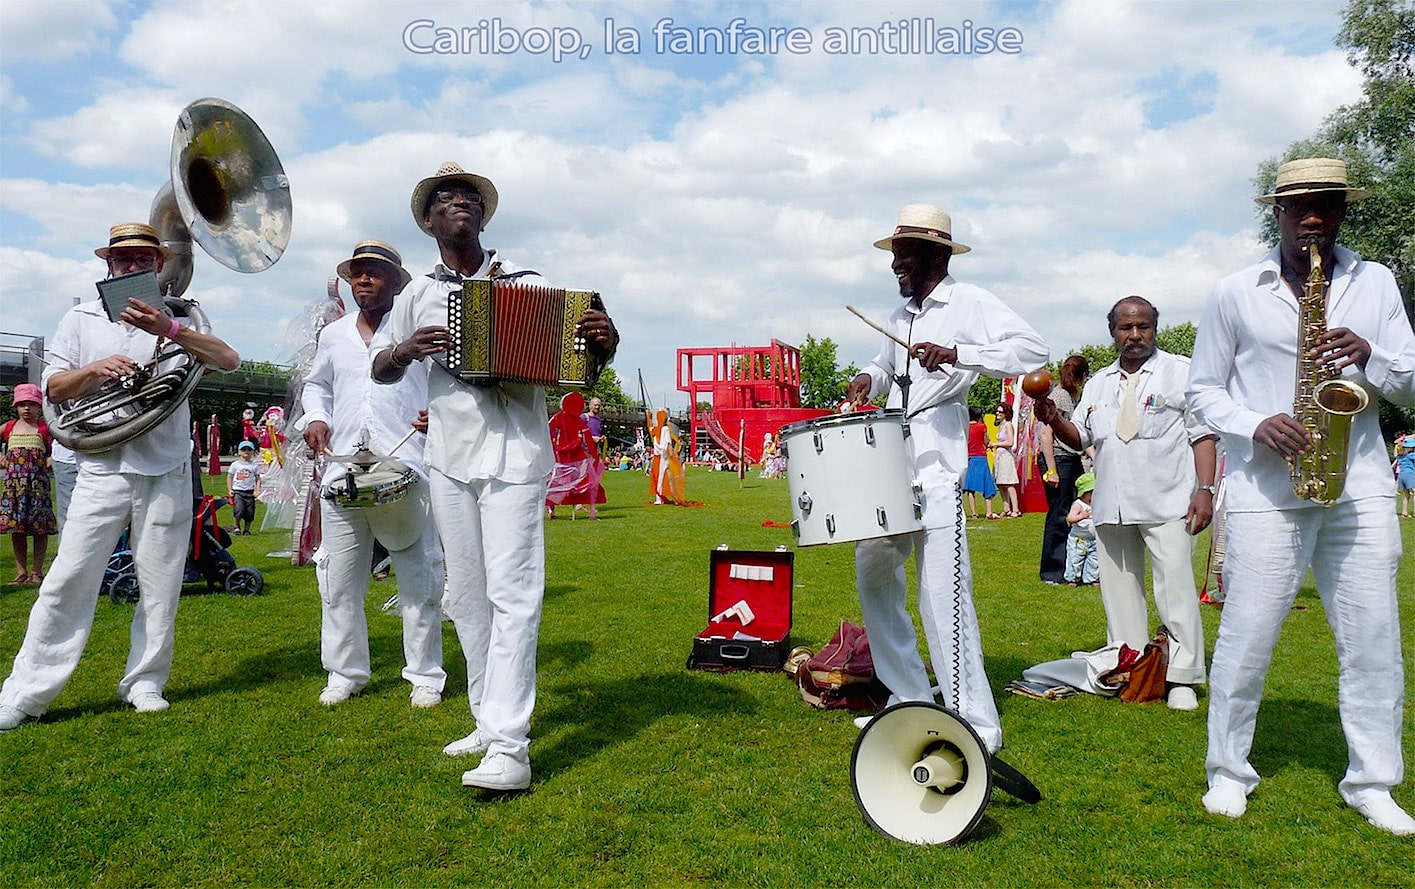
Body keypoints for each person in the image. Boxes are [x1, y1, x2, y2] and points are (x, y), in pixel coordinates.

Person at [371, 162, 618, 791]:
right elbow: (381, 368)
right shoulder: (416, 296)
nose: (460, 203)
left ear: (484, 215)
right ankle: (486, 720)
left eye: (471, 197)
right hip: (449, 458)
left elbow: (580, 375)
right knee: (467, 596)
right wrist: (405, 350)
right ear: (427, 221)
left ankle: (511, 746)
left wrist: (603, 342)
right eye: (445, 198)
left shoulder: (534, 285)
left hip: (515, 455)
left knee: (514, 594)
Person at [1187, 157, 1415, 835]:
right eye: (1298, 206)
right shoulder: (1233, 290)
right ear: (1276, 212)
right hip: (1265, 483)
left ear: (1341, 211)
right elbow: (1200, 389)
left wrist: (1368, 352)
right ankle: (1228, 771)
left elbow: (1409, 382)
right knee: (1247, 636)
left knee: (1374, 638)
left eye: (1326, 205)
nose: (1312, 218)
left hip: (1363, 482)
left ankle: (1371, 781)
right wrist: (1254, 422)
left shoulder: (1374, 281)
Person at [0, 222, 240, 731]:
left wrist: (167, 330)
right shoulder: (80, 318)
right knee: (68, 579)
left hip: (167, 465)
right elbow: (54, 388)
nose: (131, 267)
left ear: (158, 265)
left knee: (161, 581)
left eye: (141, 260)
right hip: (102, 464)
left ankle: (146, 682)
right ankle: (26, 693)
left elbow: (228, 360)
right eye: (122, 259)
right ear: (107, 265)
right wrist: (96, 371)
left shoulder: (181, 316)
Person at [844, 204, 1048, 752]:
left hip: (937, 468)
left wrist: (959, 354)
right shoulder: (898, 315)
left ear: (936, 254)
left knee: (944, 593)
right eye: (894, 255)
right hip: (889, 465)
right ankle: (908, 697)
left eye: (904, 255)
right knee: (874, 576)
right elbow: (887, 365)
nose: (895, 266)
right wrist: (868, 376)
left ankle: (976, 721)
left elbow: (1033, 351)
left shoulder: (971, 301)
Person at [1035, 296, 1216, 713]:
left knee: (1175, 591)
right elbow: (1079, 437)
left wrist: (1204, 490)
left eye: (1143, 327)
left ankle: (1181, 676)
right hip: (1111, 503)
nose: (1134, 335)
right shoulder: (1098, 382)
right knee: (1119, 592)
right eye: (1125, 328)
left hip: (1168, 500)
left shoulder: (1182, 372)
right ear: (1112, 331)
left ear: (1155, 327)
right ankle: (1132, 665)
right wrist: (1050, 416)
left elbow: (1202, 435)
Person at [300, 240, 447, 709]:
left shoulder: (420, 331)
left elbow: (448, 383)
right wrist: (315, 418)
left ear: (396, 282)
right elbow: (316, 385)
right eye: (357, 273)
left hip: (406, 460)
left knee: (418, 575)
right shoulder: (334, 334)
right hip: (343, 465)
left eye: (375, 273)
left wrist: (436, 415)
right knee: (338, 579)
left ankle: (424, 674)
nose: (364, 280)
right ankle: (345, 672)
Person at [1037, 355, 1091, 582]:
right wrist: (1052, 469)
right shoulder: (1058, 396)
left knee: (1073, 511)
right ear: (1081, 376)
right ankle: (1052, 570)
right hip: (1058, 459)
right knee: (1059, 514)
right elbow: (1046, 433)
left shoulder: (1072, 397)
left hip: (1072, 459)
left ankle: (1072, 568)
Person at [1, 383, 57, 584]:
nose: (27, 408)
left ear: (39, 407)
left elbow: (61, 443)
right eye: (22, 404)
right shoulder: (9, 427)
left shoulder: (44, 428)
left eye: (31, 404)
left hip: (37, 488)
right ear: (16, 406)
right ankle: (21, 571)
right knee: (17, 530)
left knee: (39, 529)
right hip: (13, 489)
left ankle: (37, 572)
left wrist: (52, 458)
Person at [546, 391, 605, 519]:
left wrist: (550, 447)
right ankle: (590, 512)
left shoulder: (558, 417)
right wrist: (594, 457)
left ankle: (551, 508)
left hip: (562, 454)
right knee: (585, 481)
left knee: (556, 481)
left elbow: (548, 432)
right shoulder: (578, 420)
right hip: (574, 455)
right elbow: (588, 439)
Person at [961, 406, 999, 519]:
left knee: (970, 488)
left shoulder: (965, 428)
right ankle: (989, 512)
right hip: (981, 457)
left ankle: (974, 513)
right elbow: (986, 440)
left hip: (970, 458)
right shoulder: (982, 426)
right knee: (987, 485)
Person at [1064, 472, 1098, 587]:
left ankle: (1092, 578)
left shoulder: (1096, 504)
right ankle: (1072, 579)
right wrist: (1081, 516)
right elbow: (1070, 518)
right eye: (1091, 493)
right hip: (1078, 540)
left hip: (1094, 539)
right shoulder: (1079, 504)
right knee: (1075, 560)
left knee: (1094, 560)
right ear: (1084, 493)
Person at [990, 401, 1021, 516]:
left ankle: (1016, 509)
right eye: (997, 411)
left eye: (1000, 412)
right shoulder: (1001, 426)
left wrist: (996, 444)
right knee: (1000, 483)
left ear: (1006, 413)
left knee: (1009, 483)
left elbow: (1010, 442)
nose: (997, 413)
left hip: (1006, 457)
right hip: (999, 456)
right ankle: (1006, 508)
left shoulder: (1008, 425)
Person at [227, 441, 262, 535]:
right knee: (239, 509)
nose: (246, 451)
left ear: (253, 452)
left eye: (249, 449)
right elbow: (229, 477)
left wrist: (257, 490)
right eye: (244, 449)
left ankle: (247, 530)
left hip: (250, 492)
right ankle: (236, 527)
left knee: (250, 512)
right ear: (239, 452)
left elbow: (258, 479)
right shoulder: (235, 465)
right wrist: (230, 489)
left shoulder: (254, 466)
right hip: (238, 491)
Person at [1394, 433, 1415, 518]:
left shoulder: (1400, 455)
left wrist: (1398, 445)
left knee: (1407, 495)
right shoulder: (1411, 455)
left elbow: (1395, 453)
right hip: (1409, 475)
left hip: (1401, 476)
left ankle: (1404, 512)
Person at [583, 396, 608, 461]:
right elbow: (577, 433)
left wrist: (600, 439)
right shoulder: (584, 417)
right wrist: (592, 438)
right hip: (584, 452)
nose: (597, 407)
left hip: (595, 452)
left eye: (599, 405)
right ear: (590, 406)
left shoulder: (599, 420)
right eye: (595, 405)